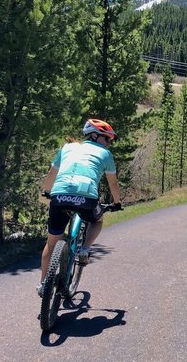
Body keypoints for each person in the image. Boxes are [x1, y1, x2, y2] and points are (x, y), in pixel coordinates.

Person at [37, 118, 122, 297]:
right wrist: (117, 203)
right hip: (86, 199)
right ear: (94, 135)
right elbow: (113, 184)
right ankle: (85, 249)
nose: (108, 143)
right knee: (97, 221)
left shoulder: (67, 147)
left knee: (51, 244)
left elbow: (52, 173)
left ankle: (43, 284)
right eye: (107, 139)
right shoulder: (105, 154)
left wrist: (47, 191)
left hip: (59, 196)